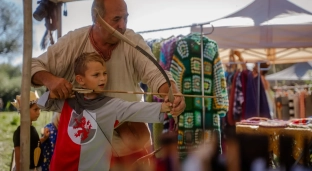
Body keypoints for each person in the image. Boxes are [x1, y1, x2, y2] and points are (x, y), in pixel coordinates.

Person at [31, 0, 185, 166]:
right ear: (97, 19)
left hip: (130, 145)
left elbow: (156, 75)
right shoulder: (75, 41)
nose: (122, 25)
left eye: (125, 18)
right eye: (116, 19)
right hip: (86, 144)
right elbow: (32, 68)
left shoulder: (132, 40)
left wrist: (172, 93)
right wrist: (52, 82)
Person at [37, 52, 177, 170]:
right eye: (96, 75)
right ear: (80, 79)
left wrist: (166, 106)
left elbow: (136, 109)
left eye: (104, 73)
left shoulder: (110, 105)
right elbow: (41, 105)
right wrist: (51, 94)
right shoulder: (68, 102)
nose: (103, 78)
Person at [11, 91, 50, 171]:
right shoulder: (20, 132)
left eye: (39, 109)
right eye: (35, 109)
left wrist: (44, 138)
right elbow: (18, 155)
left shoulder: (32, 128)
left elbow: (33, 144)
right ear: (24, 111)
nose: (38, 113)